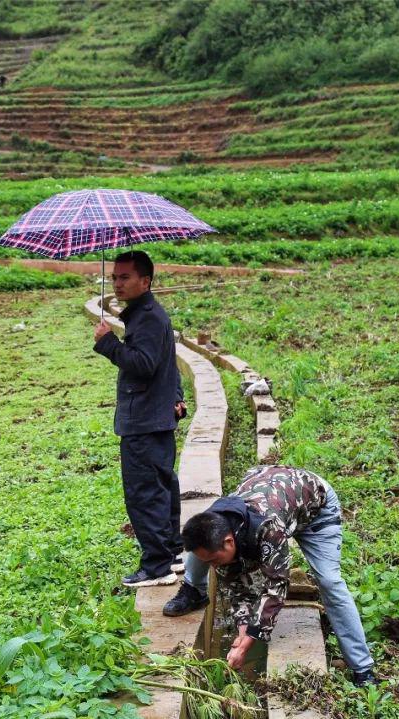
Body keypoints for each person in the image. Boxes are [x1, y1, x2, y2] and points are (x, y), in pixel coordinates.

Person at [165, 465, 378, 686]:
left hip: (315, 508)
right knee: (203, 554)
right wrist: (243, 631)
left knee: (329, 581)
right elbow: (238, 588)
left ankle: (363, 668)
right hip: (269, 487)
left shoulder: (268, 529)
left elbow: (277, 587)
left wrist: (248, 642)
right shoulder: (213, 525)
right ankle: (194, 590)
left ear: (229, 542)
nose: (212, 567)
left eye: (213, 561)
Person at [94, 250, 188, 588]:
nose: (117, 283)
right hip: (156, 416)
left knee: (144, 493)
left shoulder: (146, 317)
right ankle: (173, 552)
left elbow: (145, 364)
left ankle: (157, 566)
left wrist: (108, 344)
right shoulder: (146, 314)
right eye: (115, 277)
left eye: (124, 277)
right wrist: (176, 397)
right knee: (162, 488)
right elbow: (169, 362)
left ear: (144, 281)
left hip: (145, 421)